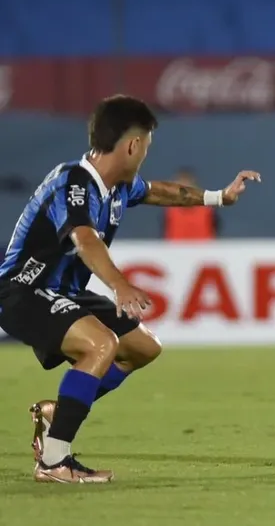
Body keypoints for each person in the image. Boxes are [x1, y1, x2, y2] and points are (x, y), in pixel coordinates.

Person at [0, 95, 261, 484]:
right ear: (133, 145)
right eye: (147, 147)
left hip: (63, 291)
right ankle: (55, 461)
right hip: (24, 289)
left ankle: (59, 412)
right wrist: (119, 285)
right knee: (101, 344)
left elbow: (159, 191)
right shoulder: (73, 183)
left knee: (141, 347)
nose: (144, 157)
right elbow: (86, 240)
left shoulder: (118, 185)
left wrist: (217, 197)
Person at [163, 167, 219, 240]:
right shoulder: (170, 213)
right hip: (176, 250)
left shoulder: (207, 211)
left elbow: (214, 233)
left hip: (203, 250)